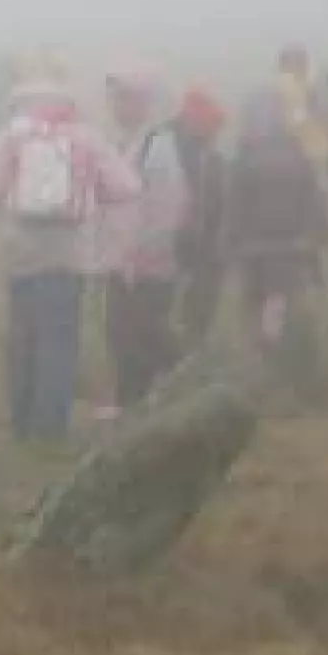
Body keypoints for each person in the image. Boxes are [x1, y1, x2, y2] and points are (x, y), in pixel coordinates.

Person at [0, 70, 139, 447]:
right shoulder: (86, 136)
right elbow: (128, 186)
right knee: (59, 342)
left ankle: (21, 423)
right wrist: (92, 198)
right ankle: (49, 430)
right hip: (69, 257)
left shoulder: (12, 135)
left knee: (22, 339)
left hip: (19, 256)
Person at [91, 63, 189, 415]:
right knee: (121, 336)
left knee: (148, 335)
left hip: (147, 264)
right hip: (120, 261)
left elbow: (167, 205)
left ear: (145, 103)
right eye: (116, 99)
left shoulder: (157, 146)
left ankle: (190, 387)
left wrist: (148, 252)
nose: (118, 107)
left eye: (126, 100)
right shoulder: (123, 143)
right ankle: (132, 406)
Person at [223, 87, 328, 394]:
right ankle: (276, 361)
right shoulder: (300, 155)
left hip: (255, 247)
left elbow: (235, 203)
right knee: (279, 301)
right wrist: (314, 237)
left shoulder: (246, 155)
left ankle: (260, 361)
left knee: (256, 302)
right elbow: (314, 199)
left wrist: (230, 241)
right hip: (290, 246)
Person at [169, 90, 230, 350]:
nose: (216, 132)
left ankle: (189, 350)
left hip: (197, 244)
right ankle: (188, 353)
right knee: (193, 308)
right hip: (191, 245)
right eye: (212, 124)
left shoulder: (202, 154)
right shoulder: (190, 155)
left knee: (194, 306)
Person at [275, 45, 328, 174]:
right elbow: (297, 122)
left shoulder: (312, 88)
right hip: (314, 158)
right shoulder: (291, 88)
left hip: (309, 158)